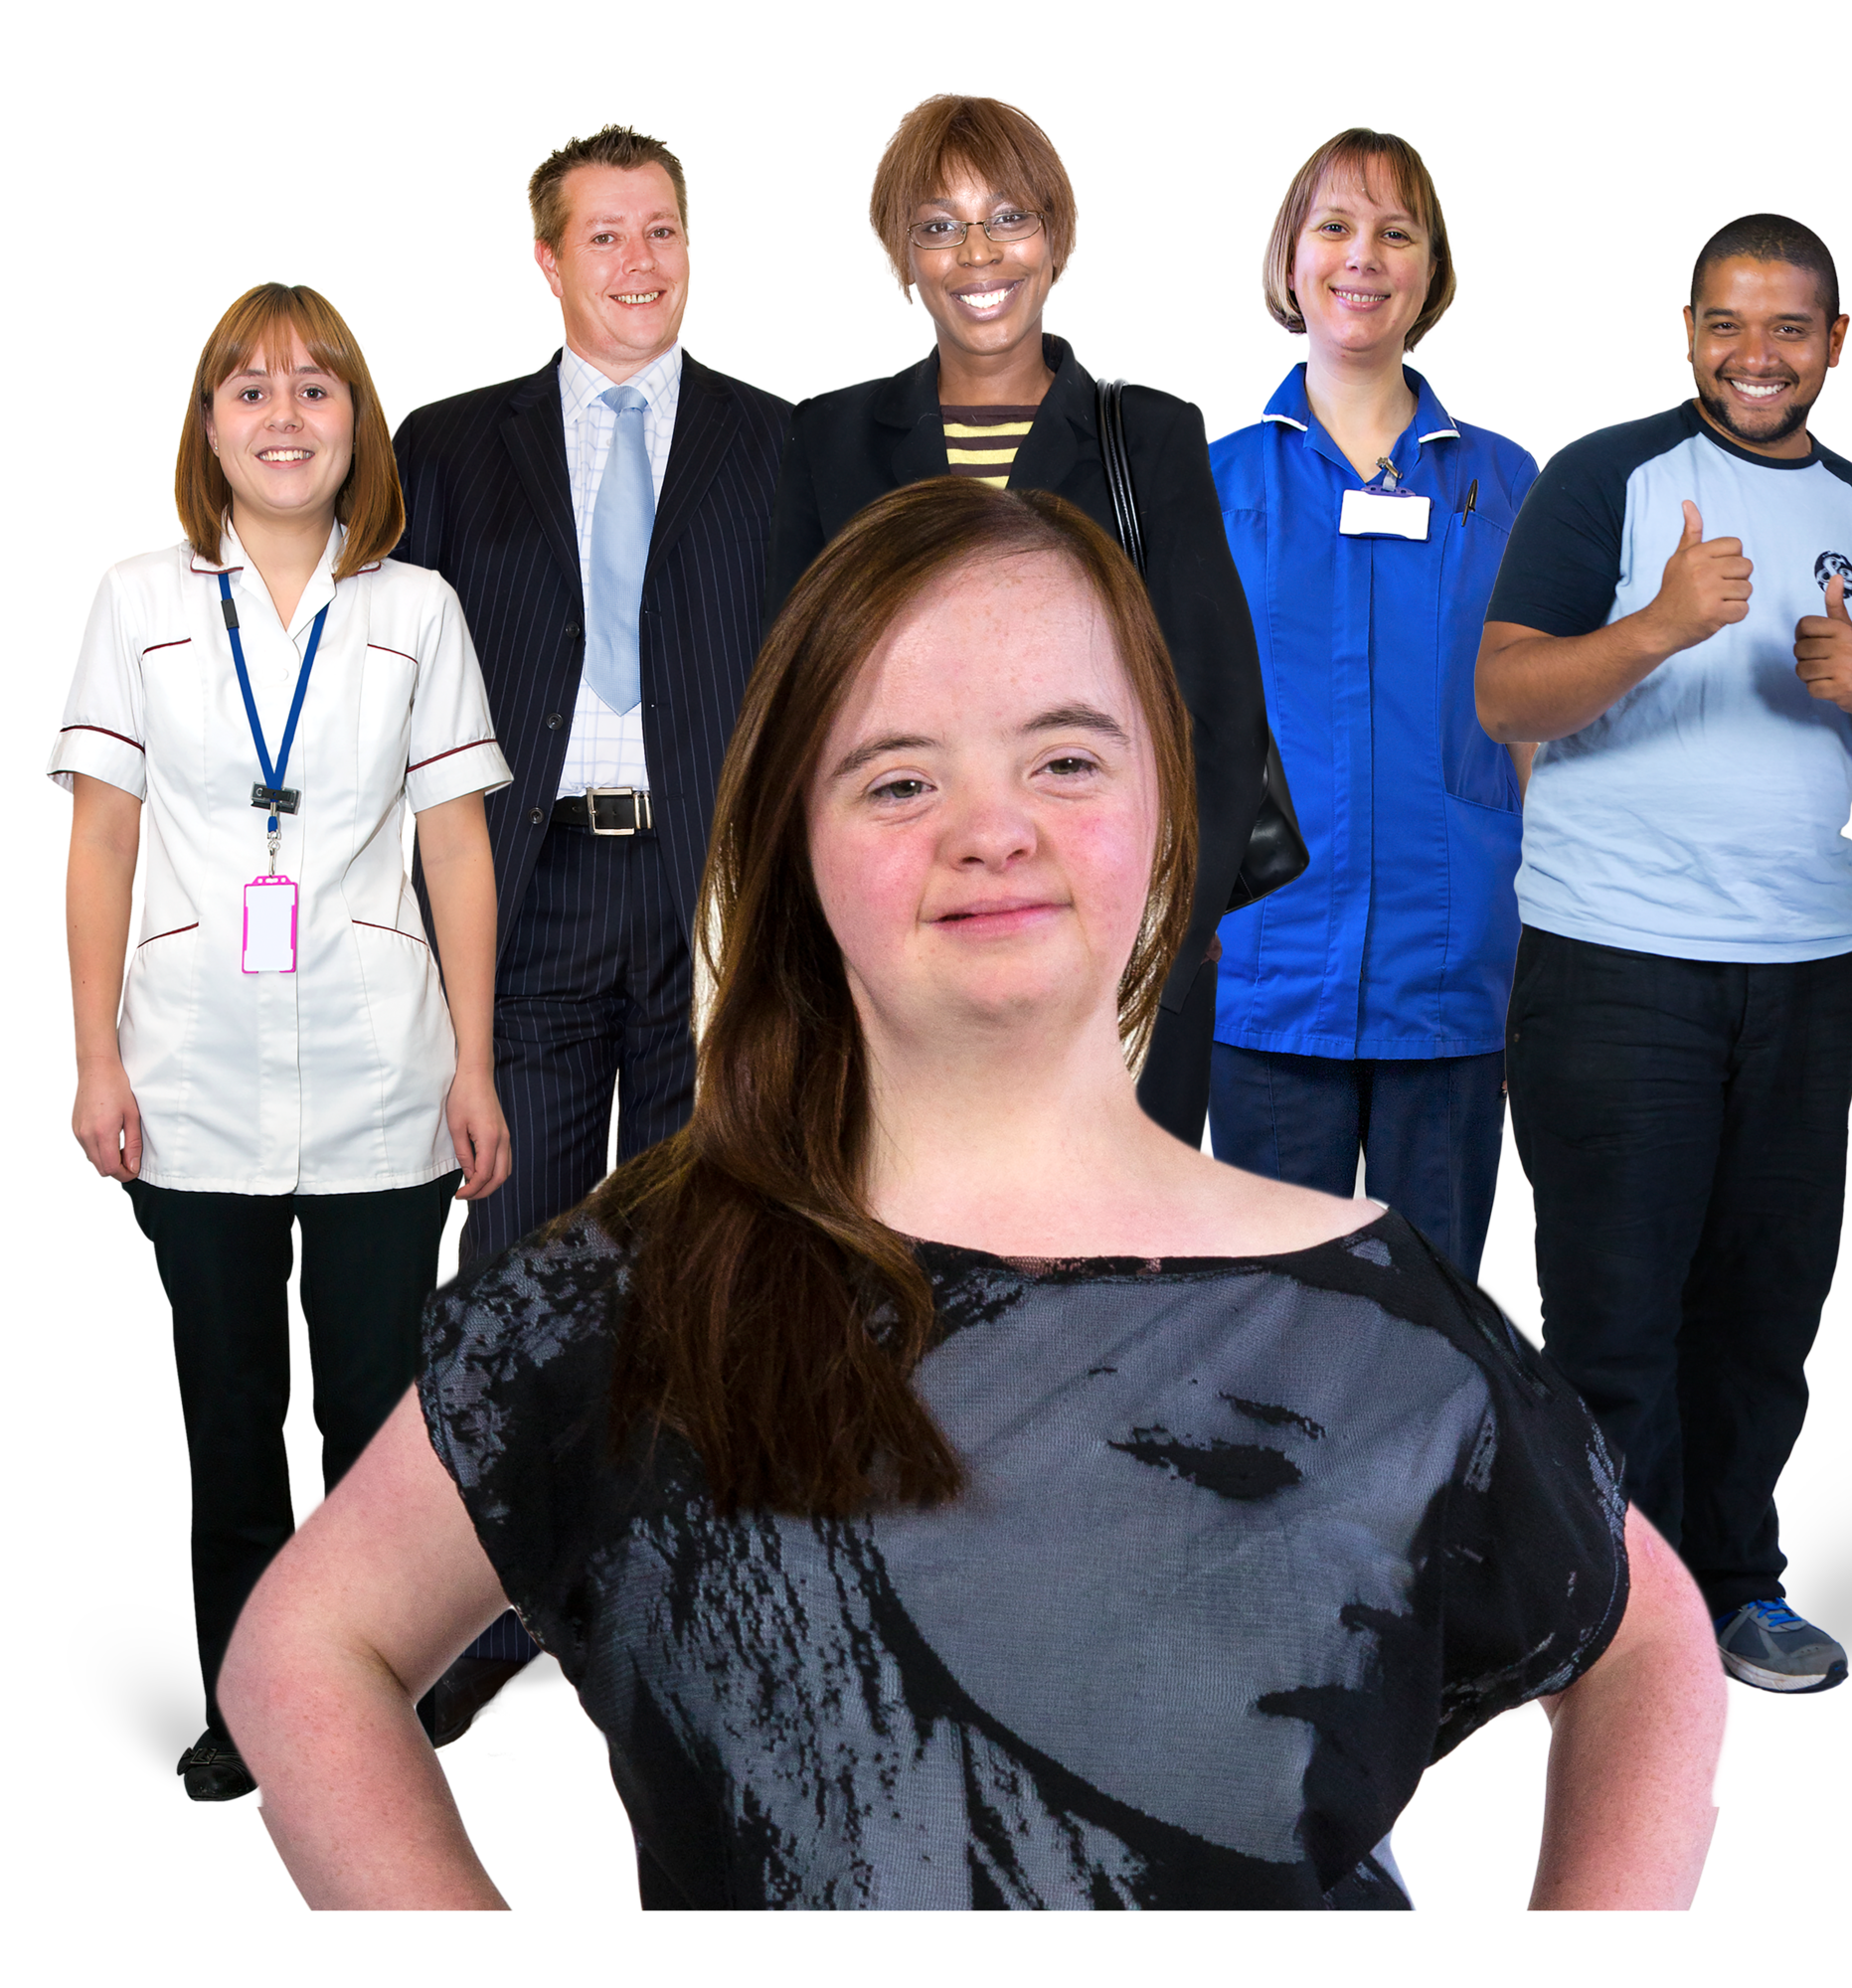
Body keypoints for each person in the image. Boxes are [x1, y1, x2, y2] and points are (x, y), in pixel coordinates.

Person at [220, 478, 1733, 1911]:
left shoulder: (1386, 1320)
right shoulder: (640, 1286)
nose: (990, 827)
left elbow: (1653, 1642)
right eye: (897, 778)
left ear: (1170, 806)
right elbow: (309, 1646)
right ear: (796, 847)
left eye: (1066, 757)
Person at [1476, 214, 1852, 1696]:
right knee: (1616, 1313)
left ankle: (1740, 1589)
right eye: (1729, 326)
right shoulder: (1600, 477)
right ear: (1689, 332)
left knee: (1766, 1305)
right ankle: (1615, 1615)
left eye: (1790, 328)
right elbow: (1503, 695)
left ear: (1835, 342)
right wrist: (1664, 624)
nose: (1759, 355)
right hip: (1616, 959)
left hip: (1807, 970)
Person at [53, 281, 513, 1803]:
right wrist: (95, 1062)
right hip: (190, 1074)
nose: (283, 415)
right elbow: (100, 843)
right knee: (233, 1430)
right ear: (207, 429)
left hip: (388, 1074)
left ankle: (398, 1712)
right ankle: (246, 1719)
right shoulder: (137, 601)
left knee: (388, 1438)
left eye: (316, 389)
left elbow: (455, 849)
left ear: (358, 426)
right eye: (248, 391)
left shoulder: (415, 610)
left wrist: (475, 1061)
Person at [390, 123, 789, 1710]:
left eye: (665, 231)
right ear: (548, 262)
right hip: (527, 887)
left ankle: (696, 1587)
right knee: (519, 1255)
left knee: (719, 1251)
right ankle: (493, 1611)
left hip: (713, 903)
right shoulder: (448, 444)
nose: (642, 264)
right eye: (605, 238)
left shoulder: (784, 440)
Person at [763, 90, 1267, 1148]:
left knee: (1119, 1275)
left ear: (1056, 237)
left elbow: (1215, 710)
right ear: (901, 256)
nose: (977, 253)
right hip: (906, 951)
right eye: (938, 226)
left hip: (1113, 946)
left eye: (1008, 217)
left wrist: (1165, 944)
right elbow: (791, 711)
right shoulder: (828, 440)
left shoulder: (1151, 435)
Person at [1206, 127, 1538, 1280]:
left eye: (1395, 231)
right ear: (1289, 262)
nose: (1363, 256)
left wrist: (1545, 946)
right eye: (1332, 226)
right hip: (1259, 968)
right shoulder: (1213, 482)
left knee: (1433, 1321)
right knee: (1256, 1321)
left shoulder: (1503, 482)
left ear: (1429, 270)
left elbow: (1542, 727)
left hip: (1449, 969)